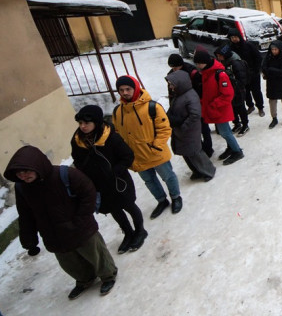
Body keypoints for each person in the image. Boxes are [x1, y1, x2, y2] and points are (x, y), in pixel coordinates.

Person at [6, 146, 118, 299]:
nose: (23, 176)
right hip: (53, 234)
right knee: (70, 263)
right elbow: (26, 215)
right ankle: (85, 279)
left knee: (96, 254)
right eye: (19, 174)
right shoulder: (22, 188)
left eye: (26, 171)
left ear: (37, 166)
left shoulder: (64, 174)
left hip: (80, 228)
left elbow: (88, 192)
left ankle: (108, 275)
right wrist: (29, 241)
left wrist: (81, 219)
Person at [71, 105, 146, 255]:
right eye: (80, 123)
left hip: (118, 182)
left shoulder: (111, 137)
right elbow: (77, 160)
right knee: (114, 210)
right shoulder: (77, 141)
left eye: (86, 123)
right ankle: (128, 233)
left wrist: (114, 171)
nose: (83, 126)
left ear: (97, 122)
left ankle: (140, 231)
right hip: (99, 185)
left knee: (129, 205)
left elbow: (128, 156)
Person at [113, 75, 182, 218]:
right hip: (136, 156)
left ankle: (176, 197)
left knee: (168, 177)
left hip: (155, 153)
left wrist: (155, 146)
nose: (125, 92)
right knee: (149, 181)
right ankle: (161, 200)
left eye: (128, 89)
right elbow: (118, 133)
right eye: (121, 90)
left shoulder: (153, 107)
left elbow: (164, 129)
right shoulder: (118, 112)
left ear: (136, 88)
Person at [193, 50, 244, 165]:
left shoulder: (219, 74)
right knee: (223, 132)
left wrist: (213, 105)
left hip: (220, 109)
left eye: (199, 63)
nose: (197, 66)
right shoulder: (207, 73)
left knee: (225, 132)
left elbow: (227, 94)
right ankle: (231, 147)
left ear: (205, 62)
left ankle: (237, 151)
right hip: (214, 109)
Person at [165, 70, 217, 181]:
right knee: (186, 152)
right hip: (181, 130)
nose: (170, 86)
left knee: (195, 152)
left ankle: (208, 171)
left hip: (189, 130)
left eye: (171, 83)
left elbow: (195, 114)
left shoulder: (190, 96)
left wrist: (184, 126)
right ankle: (197, 171)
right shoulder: (178, 94)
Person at [168, 54, 212, 157]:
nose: (174, 69)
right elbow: (171, 92)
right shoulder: (172, 75)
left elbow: (201, 89)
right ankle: (199, 149)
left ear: (181, 64)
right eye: (172, 67)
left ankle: (208, 148)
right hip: (182, 107)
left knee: (203, 128)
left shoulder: (192, 72)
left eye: (176, 67)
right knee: (191, 131)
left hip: (196, 104)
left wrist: (199, 102)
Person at [227, 28, 265, 118]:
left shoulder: (248, 45)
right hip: (241, 75)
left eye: (235, 37)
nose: (234, 39)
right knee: (245, 92)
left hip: (253, 73)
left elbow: (258, 57)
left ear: (239, 36)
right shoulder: (231, 48)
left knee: (256, 91)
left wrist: (256, 70)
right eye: (232, 38)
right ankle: (250, 106)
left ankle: (260, 107)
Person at [215, 44, 250, 137]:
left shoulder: (235, 63)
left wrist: (233, 83)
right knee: (233, 107)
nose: (218, 58)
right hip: (230, 90)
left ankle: (245, 124)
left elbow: (241, 79)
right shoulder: (225, 62)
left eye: (220, 55)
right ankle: (237, 123)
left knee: (240, 107)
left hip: (238, 90)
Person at [262, 40, 282, 128]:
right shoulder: (268, 57)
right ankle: (274, 118)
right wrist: (269, 71)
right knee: (272, 100)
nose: (274, 51)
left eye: (276, 49)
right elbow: (264, 68)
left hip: (281, 82)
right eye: (272, 49)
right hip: (271, 82)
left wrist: (271, 70)